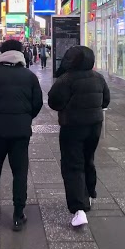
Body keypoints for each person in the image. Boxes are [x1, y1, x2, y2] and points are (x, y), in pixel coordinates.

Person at [0, 39, 43, 231]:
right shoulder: (29, 76)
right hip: (21, 131)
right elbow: (37, 103)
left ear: (1, 53)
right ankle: (18, 214)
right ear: (21, 53)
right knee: (20, 171)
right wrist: (25, 118)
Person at [47, 45, 110, 227]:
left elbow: (54, 102)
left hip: (73, 127)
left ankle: (79, 209)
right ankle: (89, 193)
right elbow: (106, 100)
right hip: (95, 126)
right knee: (87, 158)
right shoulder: (98, 78)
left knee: (73, 164)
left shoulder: (66, 79)